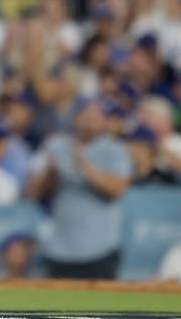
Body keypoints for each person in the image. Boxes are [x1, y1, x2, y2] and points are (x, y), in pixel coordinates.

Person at [25, 96, 131, 279]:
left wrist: (84, 164)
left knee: (99, 306)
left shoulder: (114, 149)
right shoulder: (55, 144)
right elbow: (32, 192)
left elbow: (117, 189)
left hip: (99, 249)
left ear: (104, 120)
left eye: (96, 115)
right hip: (60, 248)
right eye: (85, 114)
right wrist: (50, 174)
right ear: (74, 118)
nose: (90, 120)